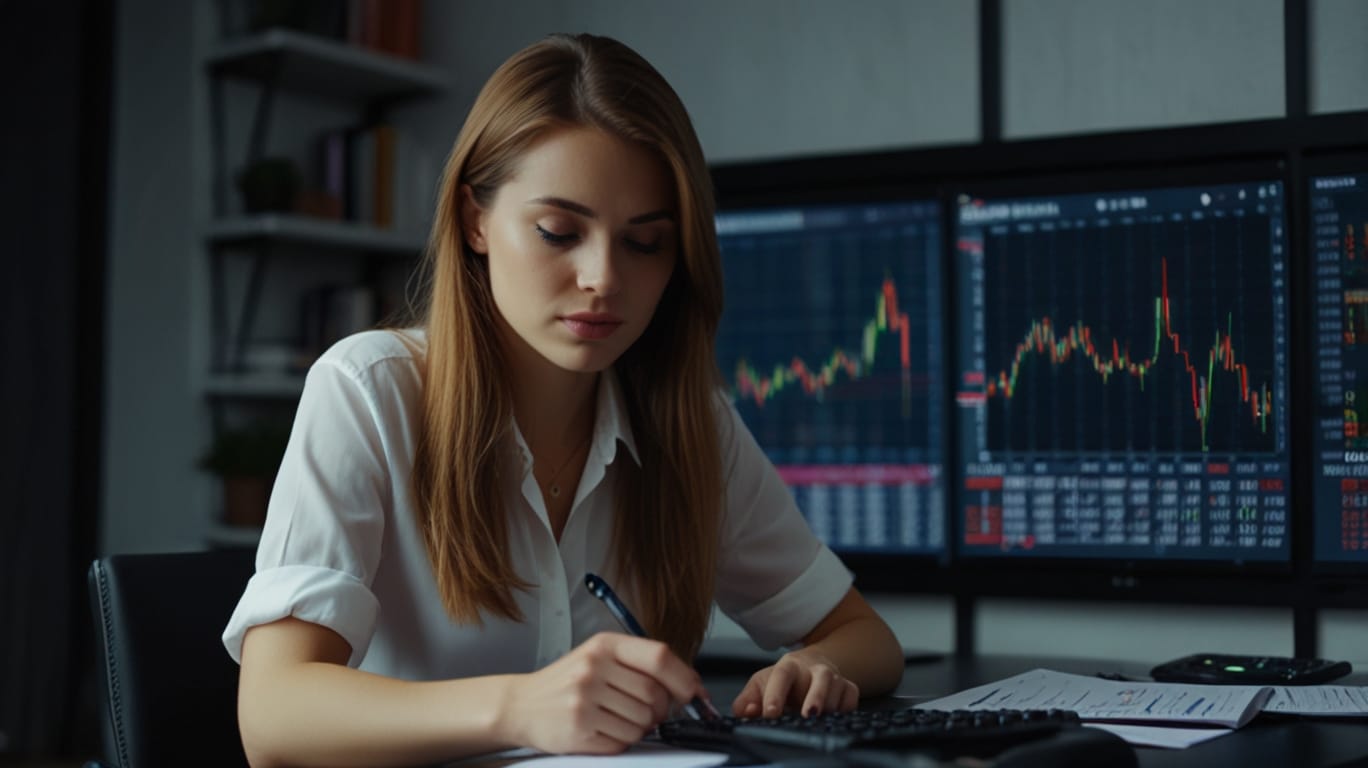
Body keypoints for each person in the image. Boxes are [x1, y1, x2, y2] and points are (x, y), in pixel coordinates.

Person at [223, 32, 904, 767]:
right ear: (475, 220)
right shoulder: (367, 390)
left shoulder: (690, 424)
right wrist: (520, 706)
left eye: (644, 243)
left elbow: (868, 638)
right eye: (559, 231)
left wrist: (818, 668)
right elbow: (272, 716)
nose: (602, 277)